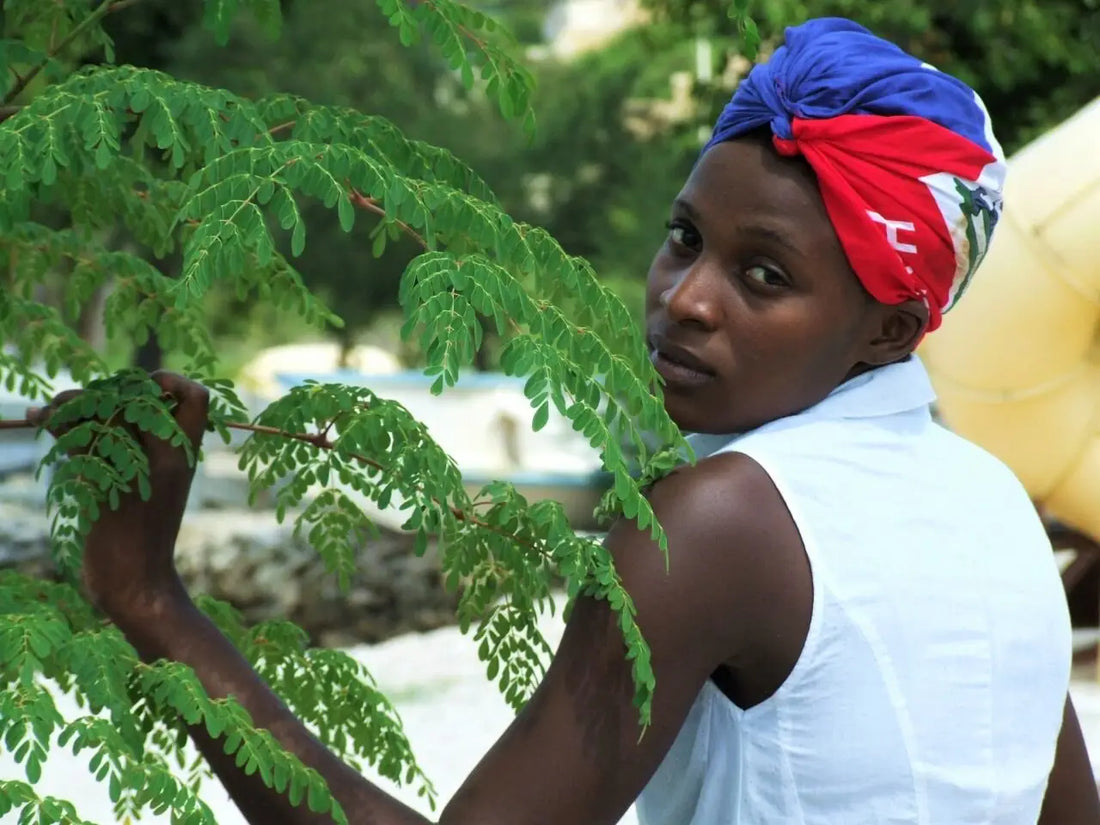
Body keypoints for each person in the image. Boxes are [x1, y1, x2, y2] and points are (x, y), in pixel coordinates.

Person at [29, 16, 1100, 825]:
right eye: (685, 239)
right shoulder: (995, 504)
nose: (685, 296)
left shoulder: (723, 523)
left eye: (762, 275)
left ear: (885, 331)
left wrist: (147, 597)